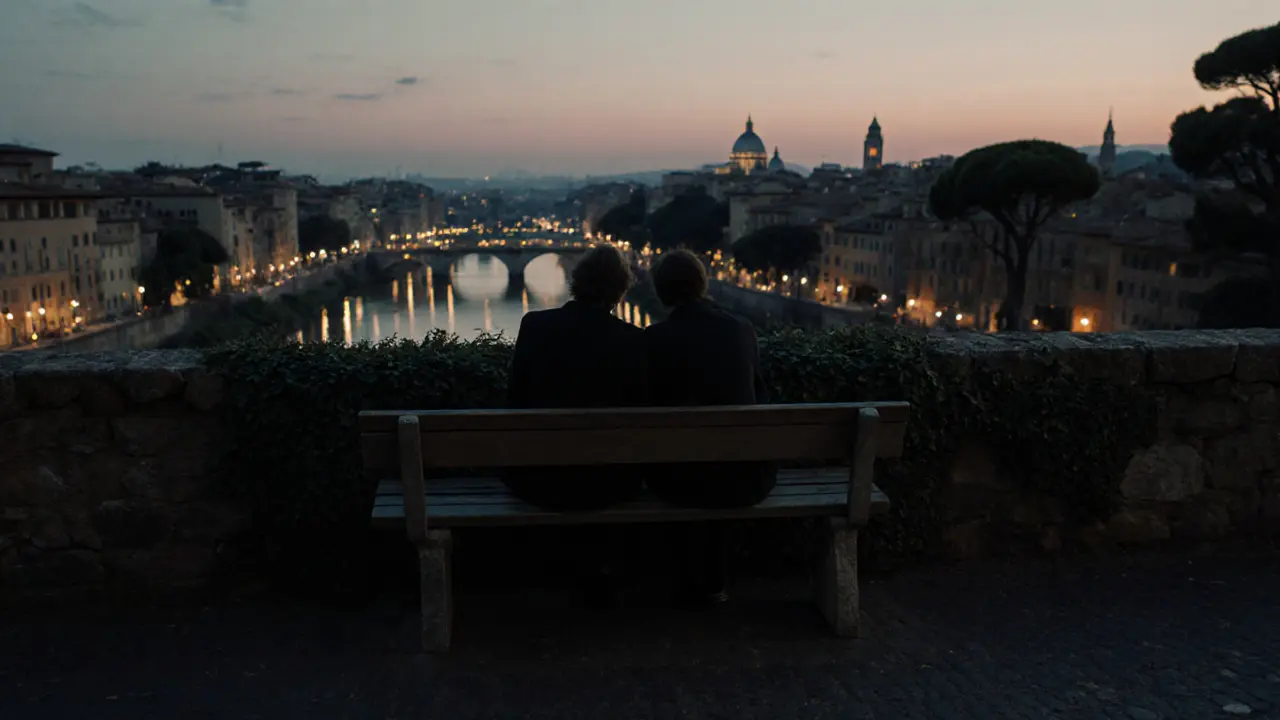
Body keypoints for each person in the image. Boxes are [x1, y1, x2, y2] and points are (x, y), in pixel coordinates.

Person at [643, 248, 777, 604]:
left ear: (661, 292)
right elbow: (759, 394)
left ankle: (689, 580)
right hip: (744, 479)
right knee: (721, 461)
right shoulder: (741, 330)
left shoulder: (653, 339)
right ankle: (714, 581)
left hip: (676, 482)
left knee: (689, 464)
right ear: (703, 285)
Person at [503, 243, 648, 511]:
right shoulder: (635, 340)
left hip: (537, 481)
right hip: (612, 483)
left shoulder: (534, 326)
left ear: (576, 280)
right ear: (620, 290)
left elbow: (515, 395)